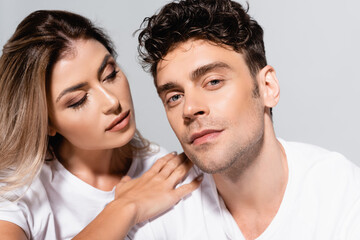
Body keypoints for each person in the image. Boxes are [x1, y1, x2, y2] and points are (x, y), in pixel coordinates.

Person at [136, 0, 360, 239]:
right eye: (174, 97)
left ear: (267, 87)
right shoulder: (161, 213)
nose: (189, 109)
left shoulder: (341, 192)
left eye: (213, 82)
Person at [0, 10, 202, 239]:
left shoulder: (164, 173)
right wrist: (124, 208)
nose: (112, 101)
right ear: (45, 122)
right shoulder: (15, 192)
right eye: (78, 100)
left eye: (110, 74)